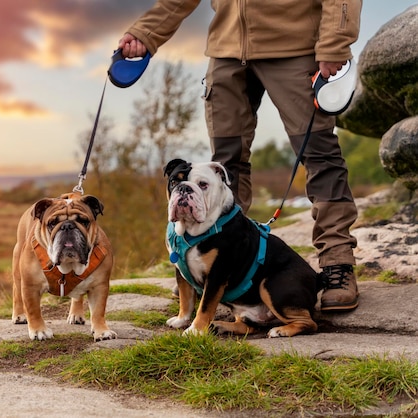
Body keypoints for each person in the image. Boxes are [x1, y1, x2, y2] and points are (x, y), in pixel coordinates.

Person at [118, 0, 362, 311]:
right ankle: (228, 276)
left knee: (320, 157)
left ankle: (337, 265)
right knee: (224, 166)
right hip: (227, 52)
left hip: (295, 48)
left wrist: (334, 43)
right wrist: (145, 32)